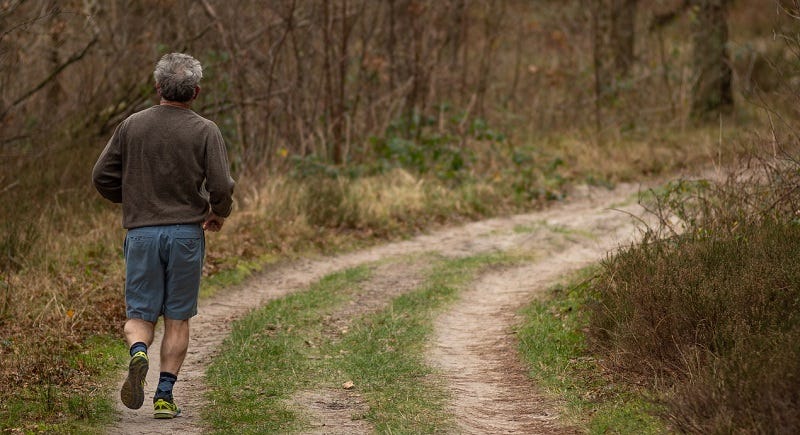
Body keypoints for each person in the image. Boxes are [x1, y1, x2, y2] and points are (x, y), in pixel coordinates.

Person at [92, 52, 235, 419]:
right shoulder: (206, 130)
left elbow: (101, 177)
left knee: (140, 313)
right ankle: (164, 397)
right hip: (187, 234)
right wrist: (218, 212)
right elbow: (221, 184)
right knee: (177, 317)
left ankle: (138, 352)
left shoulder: (131, 126)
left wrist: (135, 200)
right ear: (196, 92)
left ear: (158, 87)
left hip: (141, 234)